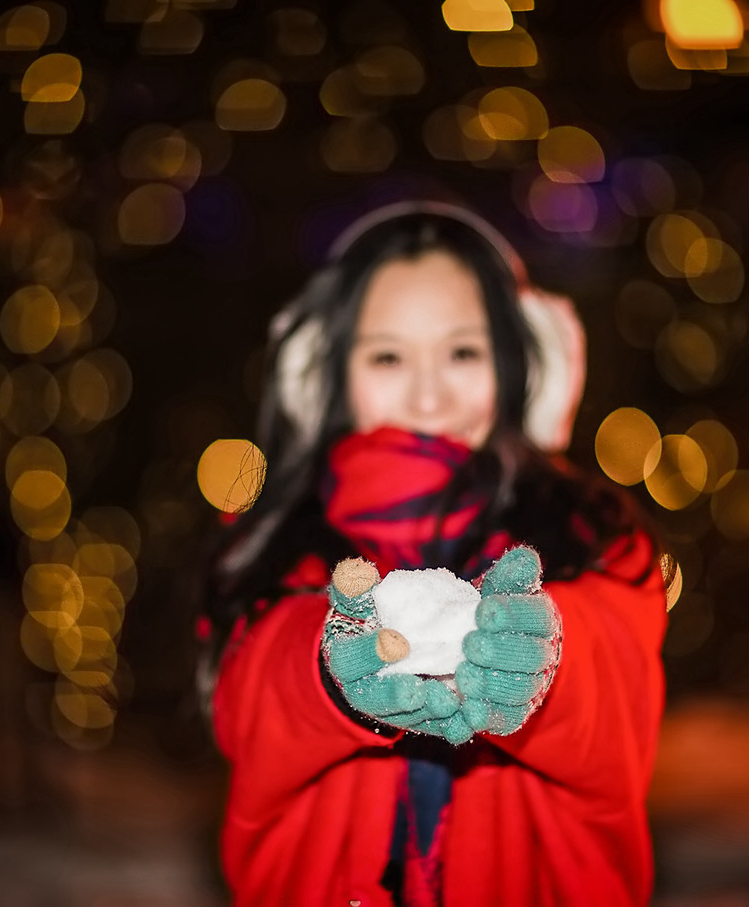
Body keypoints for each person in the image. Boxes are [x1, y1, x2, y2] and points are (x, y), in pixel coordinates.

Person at [196, 202, 667, 906]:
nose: (427, 393)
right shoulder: (278, 548)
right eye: (387, 355)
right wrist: (330, 662)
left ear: (519, 365)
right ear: (326, 373)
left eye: (462, 352)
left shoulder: (589, 536)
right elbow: (256, 688)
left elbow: (615, 684)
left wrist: (542, 657)